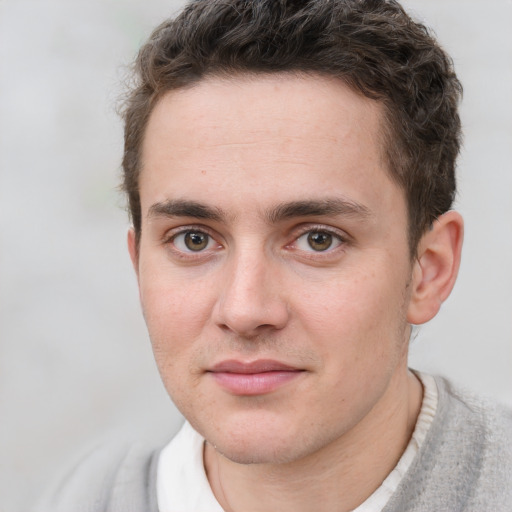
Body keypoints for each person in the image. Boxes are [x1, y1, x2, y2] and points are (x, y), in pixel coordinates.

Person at [36, 0, 512, 510]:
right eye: (193, 239)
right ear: (139, 267)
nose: (244, 311)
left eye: (318, 239)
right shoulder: (86, 498)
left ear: (429, 270)